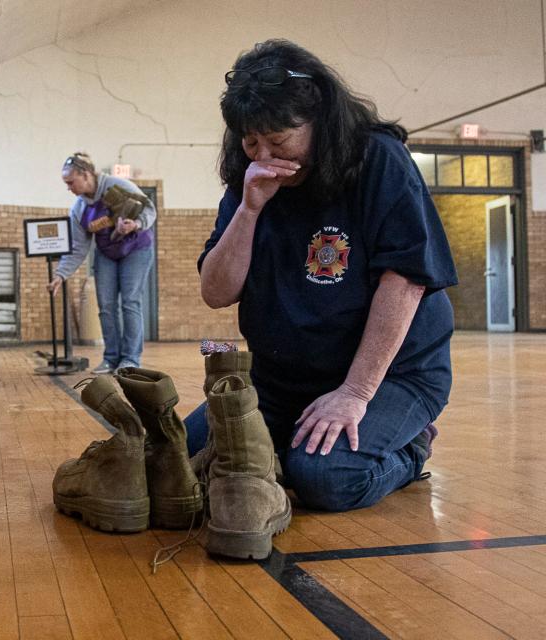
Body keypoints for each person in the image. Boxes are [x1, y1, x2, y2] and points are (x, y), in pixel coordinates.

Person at [188, 39, 457, 512]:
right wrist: (249, 209)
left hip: (390, 375)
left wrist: (355, 394)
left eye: (279, 139)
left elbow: (406, 280)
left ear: (318, 118)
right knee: (185, 452)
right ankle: (301, 441)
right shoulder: (250, 178)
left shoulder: (377, 158)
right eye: (252, 142)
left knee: (323, 478)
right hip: (282, 379)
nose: (265, 154)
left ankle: (410, 450)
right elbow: (215, 292)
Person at [48, 153, 157, 374]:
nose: (69, 188)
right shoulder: (79, 209)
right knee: (106, 306)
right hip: (107, 252)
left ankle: (131, 360)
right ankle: (110, 359)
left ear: (85, 174)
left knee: (130, 302)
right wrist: (60, 274)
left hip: (136, 248)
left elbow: (149, 209)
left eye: (71, 182)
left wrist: (135, 224)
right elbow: (78, 248)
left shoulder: (118, 185)